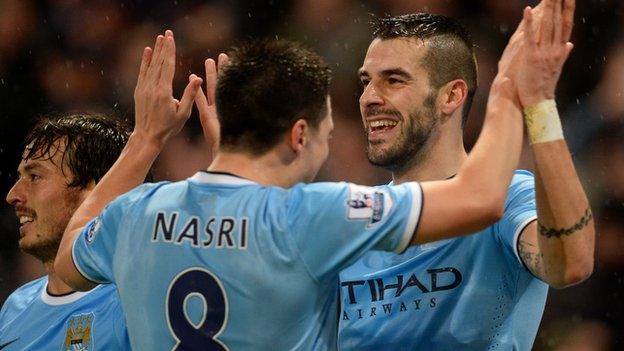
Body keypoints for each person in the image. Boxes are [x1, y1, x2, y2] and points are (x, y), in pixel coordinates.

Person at [53, 26, 524, 349]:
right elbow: (480, 198)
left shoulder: (138, 211)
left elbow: (69, 257)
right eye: (326, 131)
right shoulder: (311, 215)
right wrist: (511, 91)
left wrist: (145, 139)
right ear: (300, 136)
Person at [338, 0, 595, 350]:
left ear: (451, 96)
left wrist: (538, 102)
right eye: (366, 81)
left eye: (393, 80)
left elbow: (570, 265)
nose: (368, 97)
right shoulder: (351, 218)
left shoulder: (507, 197)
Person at [0, 114, 132, 350]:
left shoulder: (133, 302)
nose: (13, 195)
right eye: (20, 177)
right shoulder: (14, 307)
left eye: (35, 176)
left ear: (94, 191)